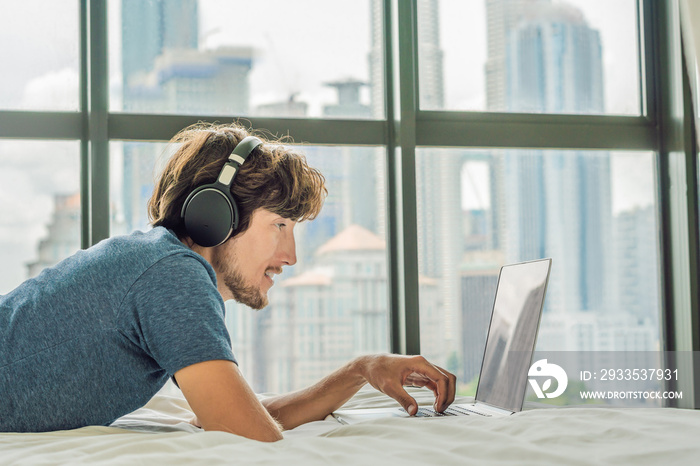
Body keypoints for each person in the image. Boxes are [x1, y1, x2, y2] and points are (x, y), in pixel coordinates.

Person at [0, 122, 456, 441]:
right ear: (216, 214)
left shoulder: (159, 264)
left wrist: (362, 368)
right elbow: (251, 434)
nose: (291, 256)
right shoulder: (172, 276)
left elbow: (241, 415)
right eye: (279, 225)